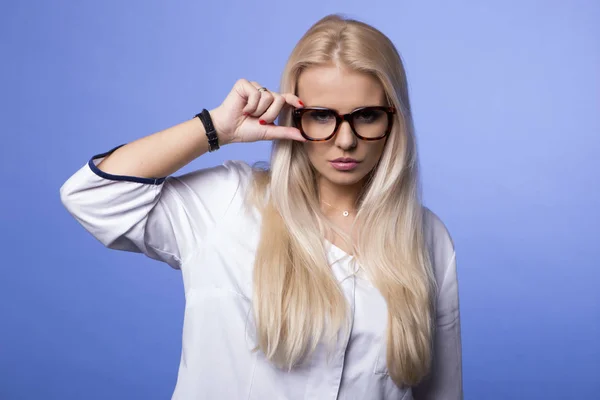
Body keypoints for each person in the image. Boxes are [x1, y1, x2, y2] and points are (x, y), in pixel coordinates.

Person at [60, 14, 462, 400]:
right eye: (321, 115)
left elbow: (441, 393)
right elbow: (93, 196)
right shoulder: (228, 204)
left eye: (367, 116)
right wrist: (215, 129)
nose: (345, 140)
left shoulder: (428, 238)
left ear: (395, 121)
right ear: (293, 113)